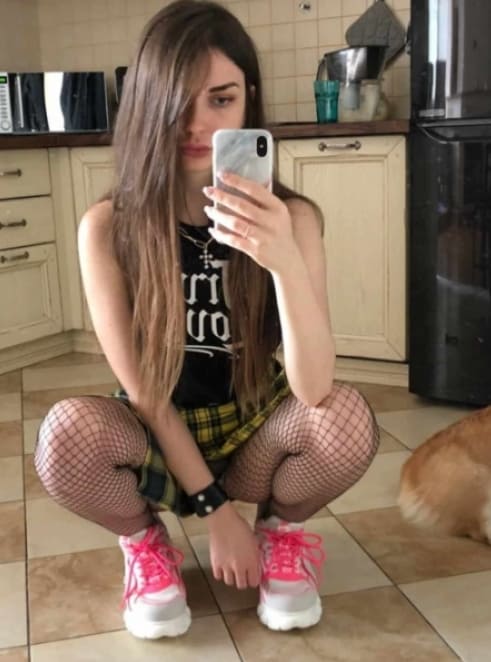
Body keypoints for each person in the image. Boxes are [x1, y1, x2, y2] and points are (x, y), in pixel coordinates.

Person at [34, 0, 379, 640]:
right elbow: (144, 392)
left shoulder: (294, 219)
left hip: (253, 429)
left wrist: (283, 262)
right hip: (157, 432)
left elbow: (313, 389)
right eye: (176, 100)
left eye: (221, 99)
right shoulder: (108, 227)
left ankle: (281, 531)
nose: (196, 124)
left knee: (346, 419)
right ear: (145, 104)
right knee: (64, 437)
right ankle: (144, 542)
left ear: (249, 101)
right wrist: (216, 512)